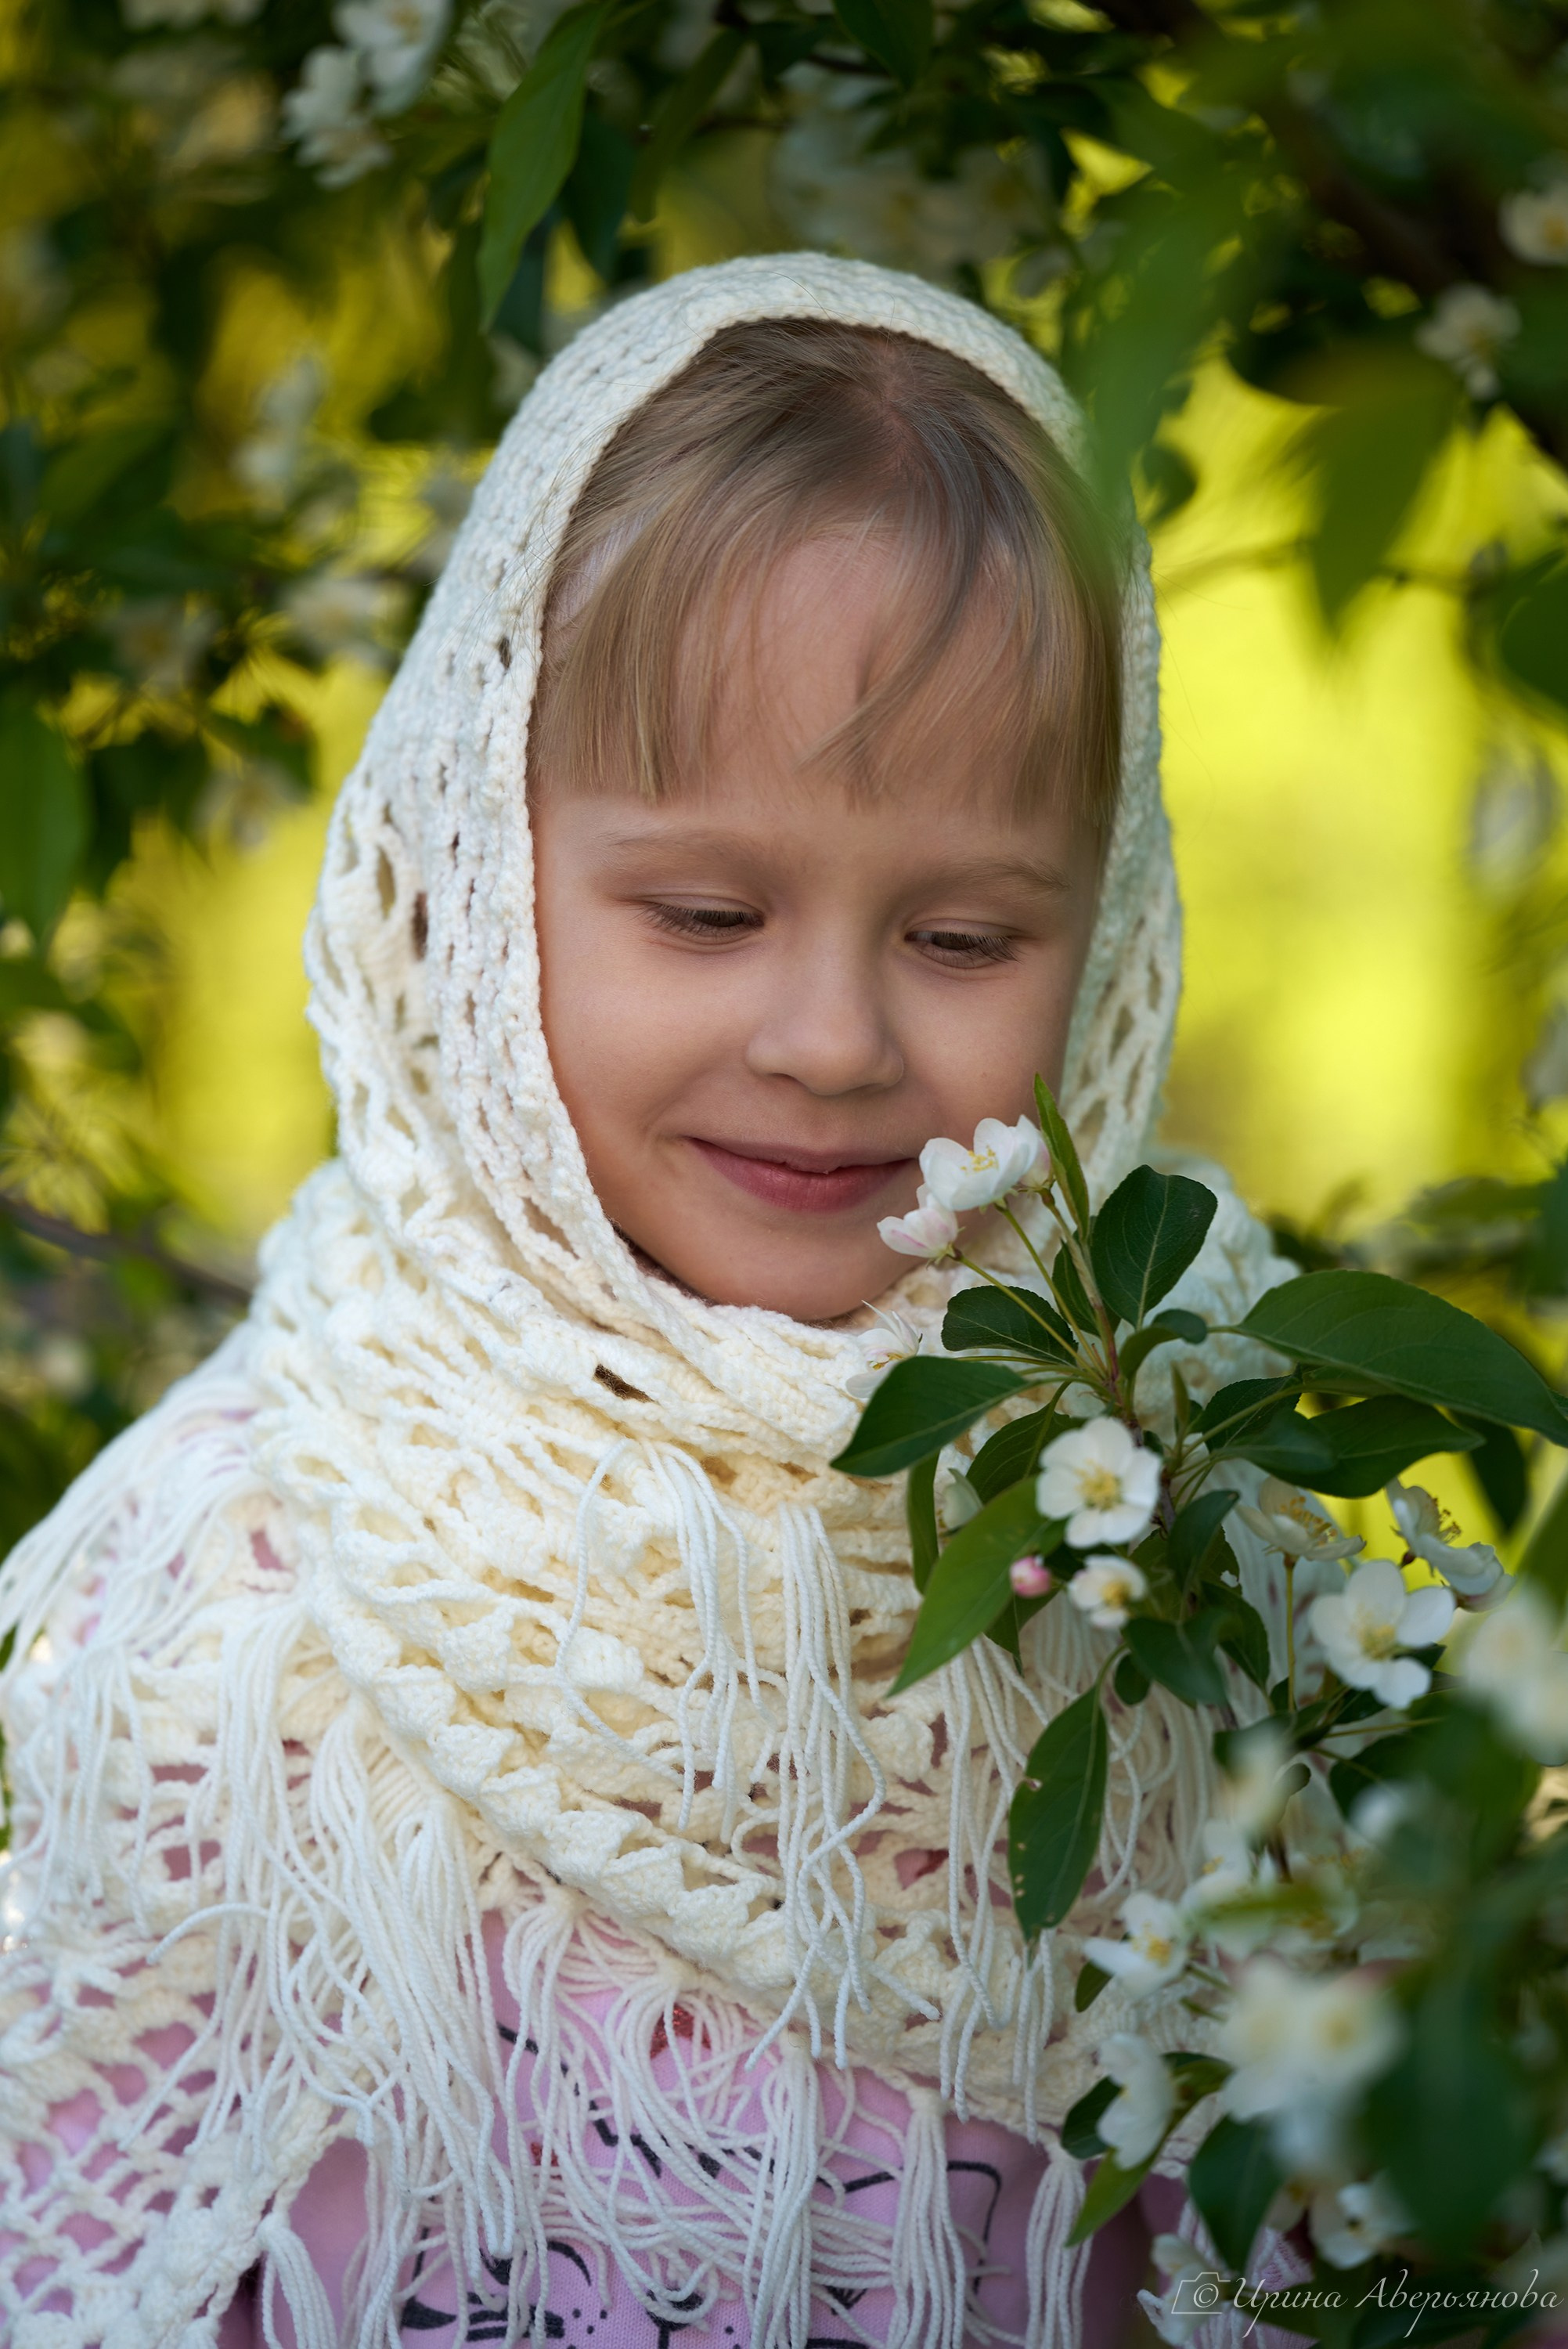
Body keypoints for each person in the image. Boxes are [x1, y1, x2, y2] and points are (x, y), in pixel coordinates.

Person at [0, 256, 1297, 2348]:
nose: (826, 1037)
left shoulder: (1177, 1531)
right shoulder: (242, 1619)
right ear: (478, 868)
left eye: (965, 938)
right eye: (703, 912)